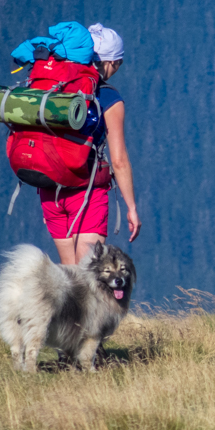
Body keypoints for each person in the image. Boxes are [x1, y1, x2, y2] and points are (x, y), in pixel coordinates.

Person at [38, 23, 142, 264]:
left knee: (68, 277)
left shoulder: (58, 89)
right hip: (87, 191)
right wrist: (132, 207)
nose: (117, 69)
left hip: (50, 189)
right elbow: (119, 160)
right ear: (109, 62)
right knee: (87, 280)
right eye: (118, 63)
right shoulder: (108, 98)